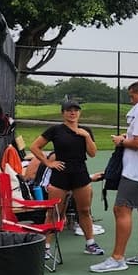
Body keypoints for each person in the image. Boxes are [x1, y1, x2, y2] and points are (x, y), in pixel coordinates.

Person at [90, 81, 138, 272]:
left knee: (121, 209)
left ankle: (117, 258)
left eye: (132, 96)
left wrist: (122, 141)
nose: (131, 100)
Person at [29, 100, 103, 255]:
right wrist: (48, 162)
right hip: (60, 174)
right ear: (63, 113)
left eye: (76, 110)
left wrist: (87, 136)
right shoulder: (55, 130)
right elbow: (35, 147)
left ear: (79, 113)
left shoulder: (85, 130)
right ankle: (46, 248)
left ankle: (90, 244)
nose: (73, 113)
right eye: (69, 110)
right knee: (54, 212)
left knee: (84, 210)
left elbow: (93, 153)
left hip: (80, 173)